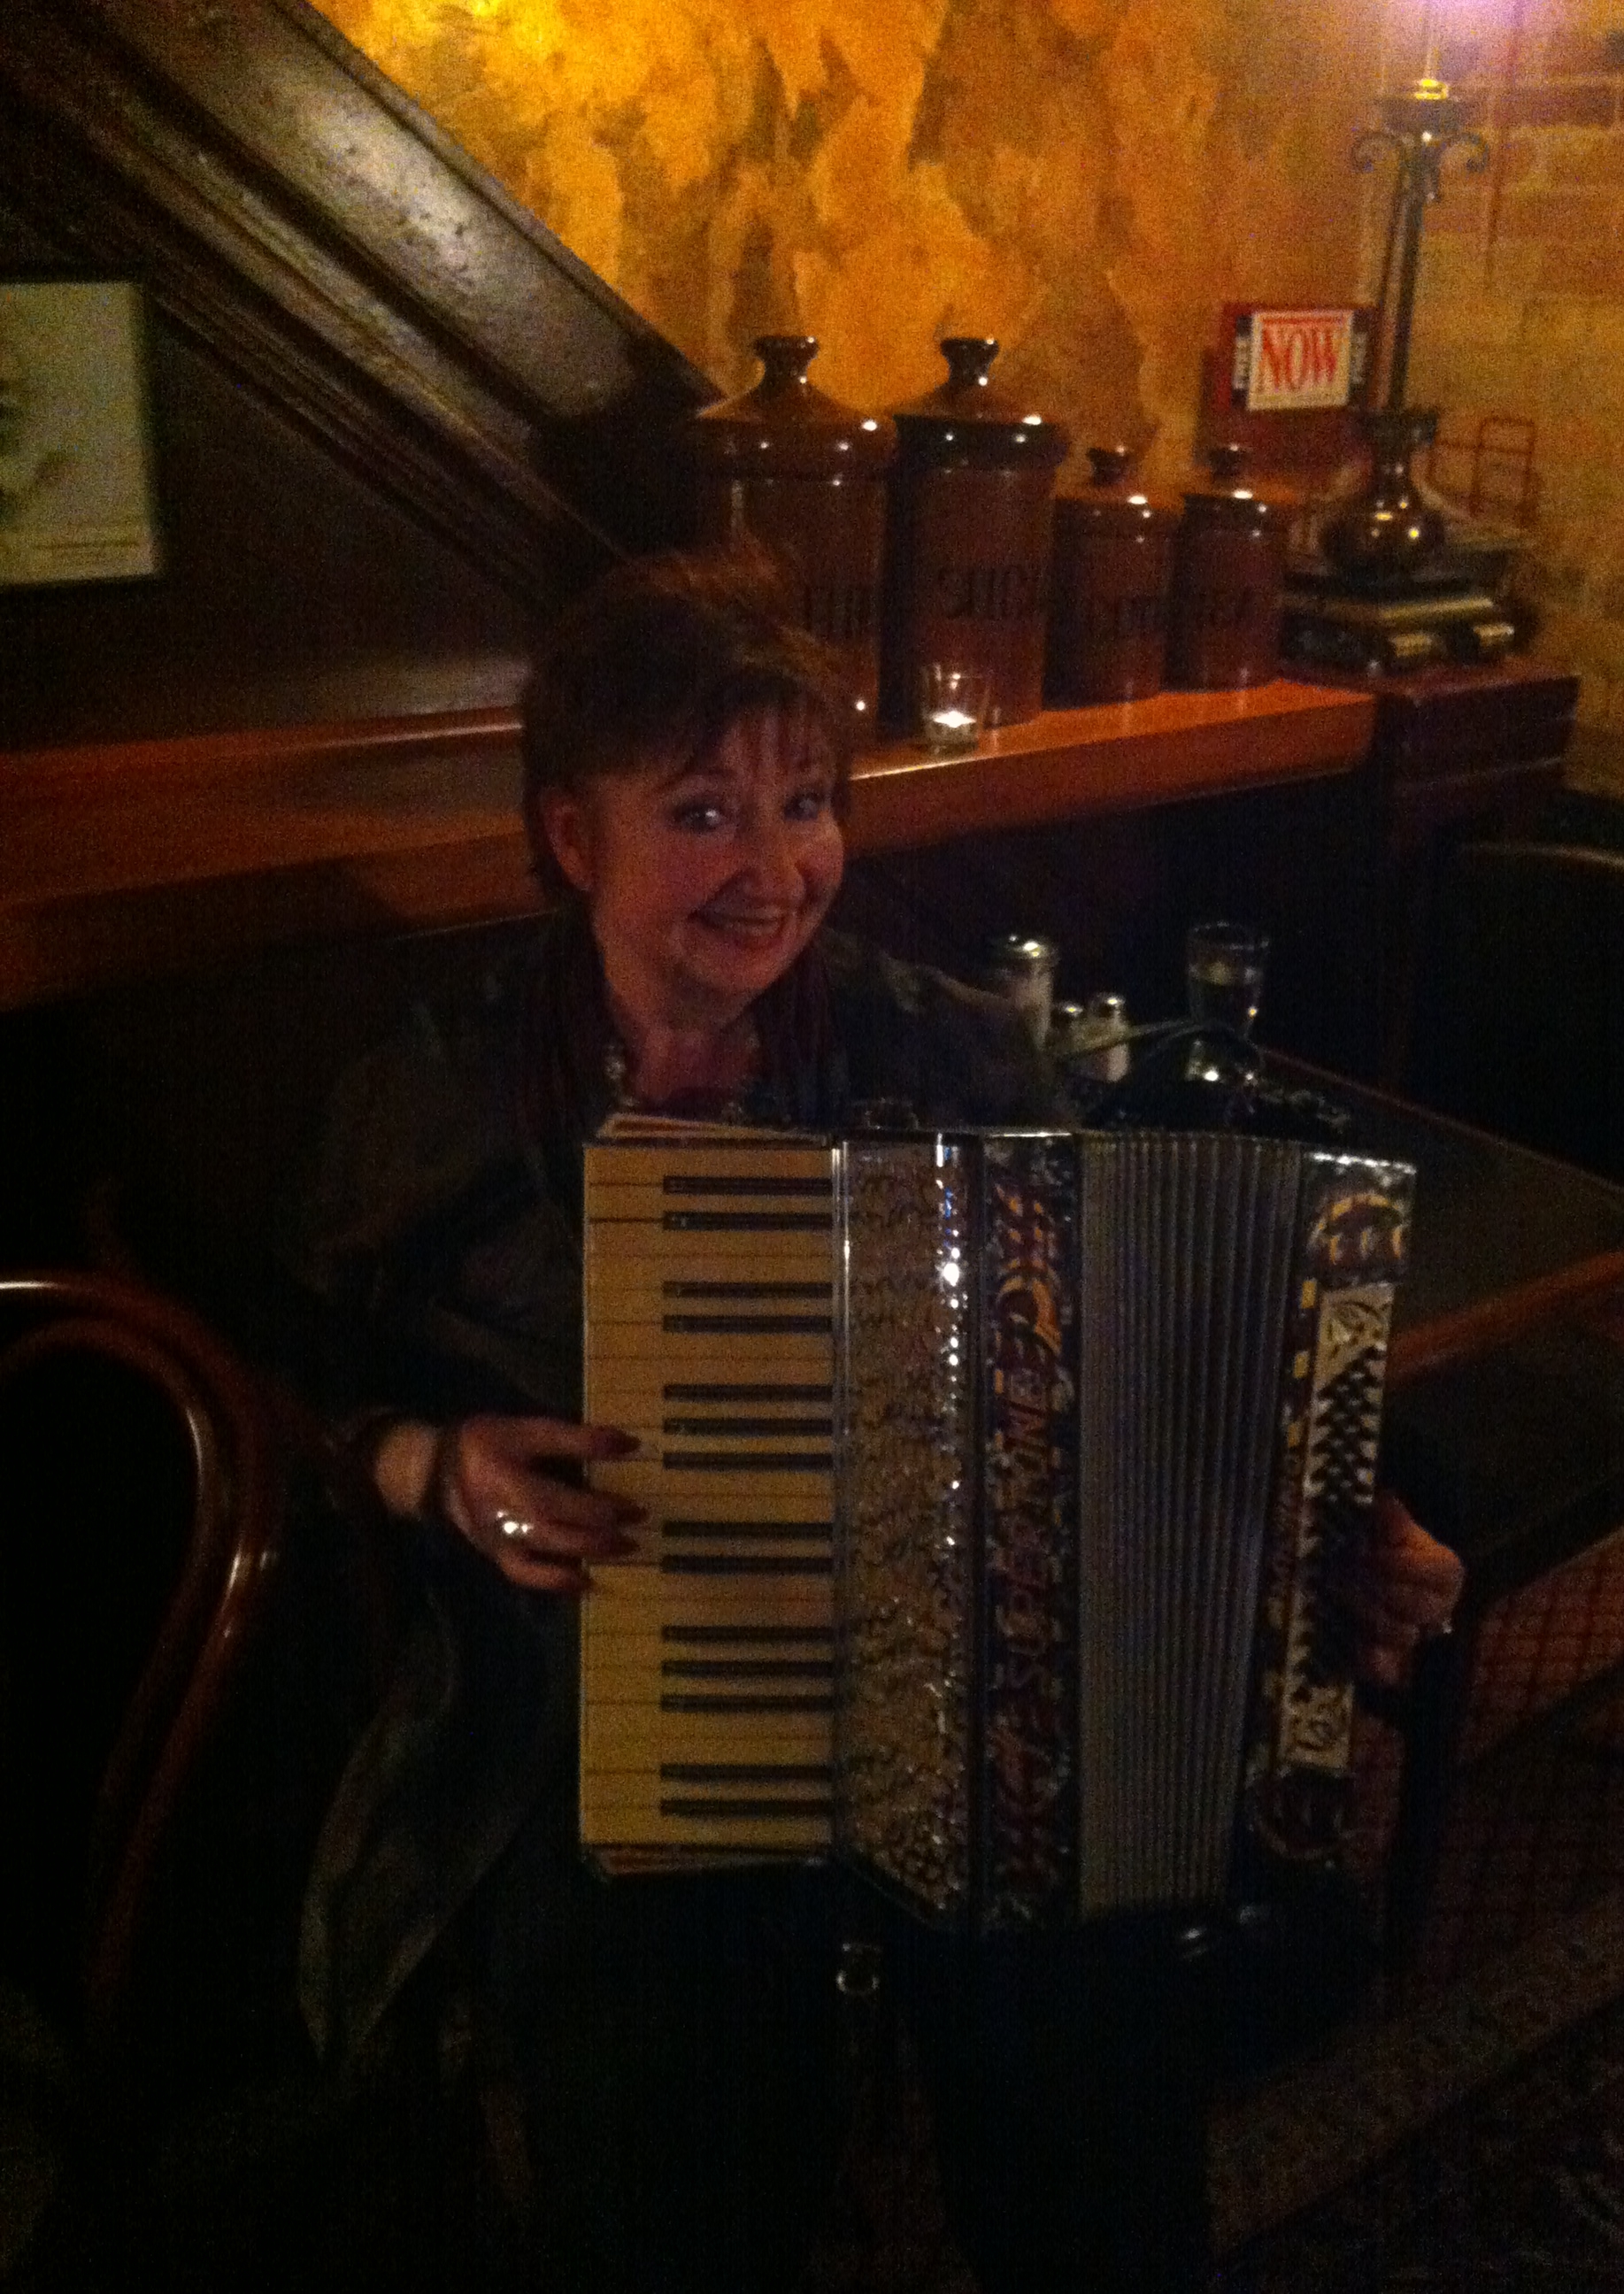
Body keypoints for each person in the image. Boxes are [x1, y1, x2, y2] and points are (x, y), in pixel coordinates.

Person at [287, 548, 1464, 2293]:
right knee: (670, 2126)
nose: (775, 871)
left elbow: (1133, 1362)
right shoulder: (435, 1098)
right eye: (702, 812)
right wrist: (424, 1464)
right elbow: (296, 1375)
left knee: (1089, 2056)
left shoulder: (956, 1059)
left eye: (806, 805)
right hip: (605, 1711)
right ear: (571, 837)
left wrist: (1332, 1527)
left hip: (961, 1693)